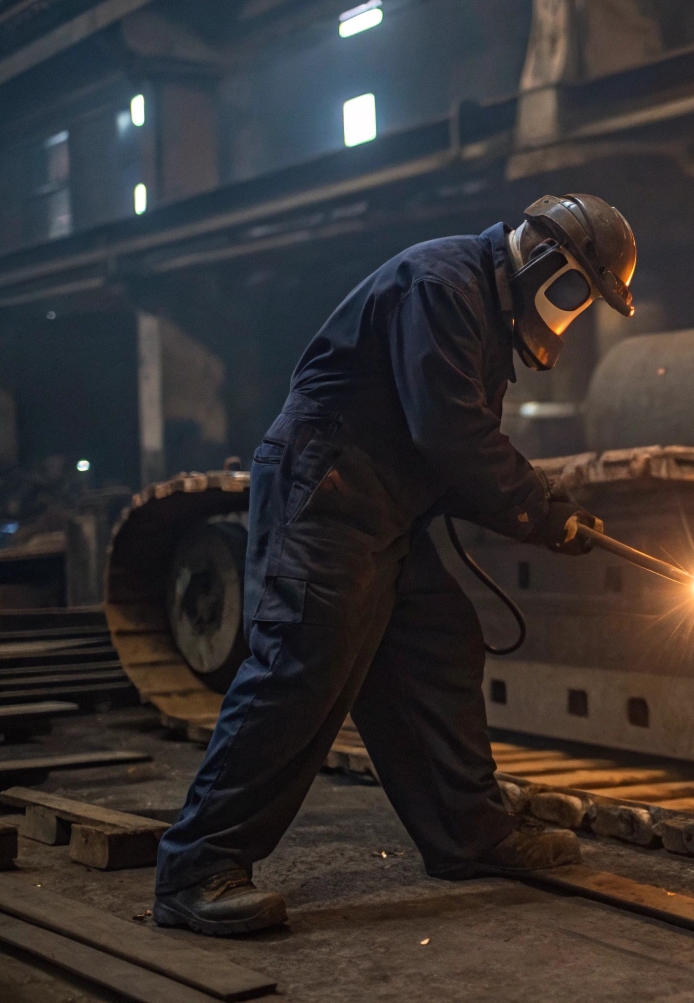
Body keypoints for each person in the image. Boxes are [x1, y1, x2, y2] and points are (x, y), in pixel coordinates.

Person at [153, 194, 636, 935]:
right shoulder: (443, 285)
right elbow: (450, 433)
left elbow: (447, 447)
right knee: (300, 667)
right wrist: (539, 508)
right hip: (327, 488)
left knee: (437, 644)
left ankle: (468, 837)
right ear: (547, 262)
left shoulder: (481, 306)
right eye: (578, 292)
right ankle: (196, 868)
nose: (572, 312)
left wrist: (545, 510)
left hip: (382, 504)